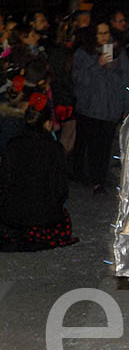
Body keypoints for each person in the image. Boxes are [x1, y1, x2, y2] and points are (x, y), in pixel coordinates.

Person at [0, 92, 76, 252]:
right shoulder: (55, 149)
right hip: (45, 214)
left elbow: (4, 181)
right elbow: (61, 188)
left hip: (13, 213)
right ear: (48, 124)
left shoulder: (13, 145)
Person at [71, 22, 129, 193]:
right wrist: (98, 64)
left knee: (103, 147)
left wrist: (126, 105)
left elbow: (125, 79)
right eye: (100, 33)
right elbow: (79, 79)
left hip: (110, 109)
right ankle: (82, 174)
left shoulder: (118, 52)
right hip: (89, 109)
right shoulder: (83, 53)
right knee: (87, 144)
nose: (104, 36)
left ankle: (99, 180)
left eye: (106, 32)